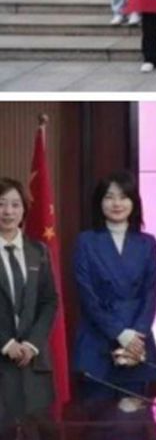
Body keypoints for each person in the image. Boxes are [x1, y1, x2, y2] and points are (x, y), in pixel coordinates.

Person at [73, 171, 156, 400]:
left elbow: (151, 294)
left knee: (137, 426)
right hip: (97, 342)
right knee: (96, 428)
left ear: (133, 202)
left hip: (137, 347)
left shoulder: (147, 243)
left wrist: (136, 337)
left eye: (123, 197)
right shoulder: (86, 241)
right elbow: (87, 295)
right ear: (99, 202)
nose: (116, 203)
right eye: (109, 197)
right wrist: (120, 334)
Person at [0, 178, 58, 418]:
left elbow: (49, 301)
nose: (8, 211)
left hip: (33, 367)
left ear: (24, 209)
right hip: (2, 363)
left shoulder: (38, 251)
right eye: (2, 204)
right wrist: (6, 343)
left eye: (15, 204)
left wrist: (32, 344)